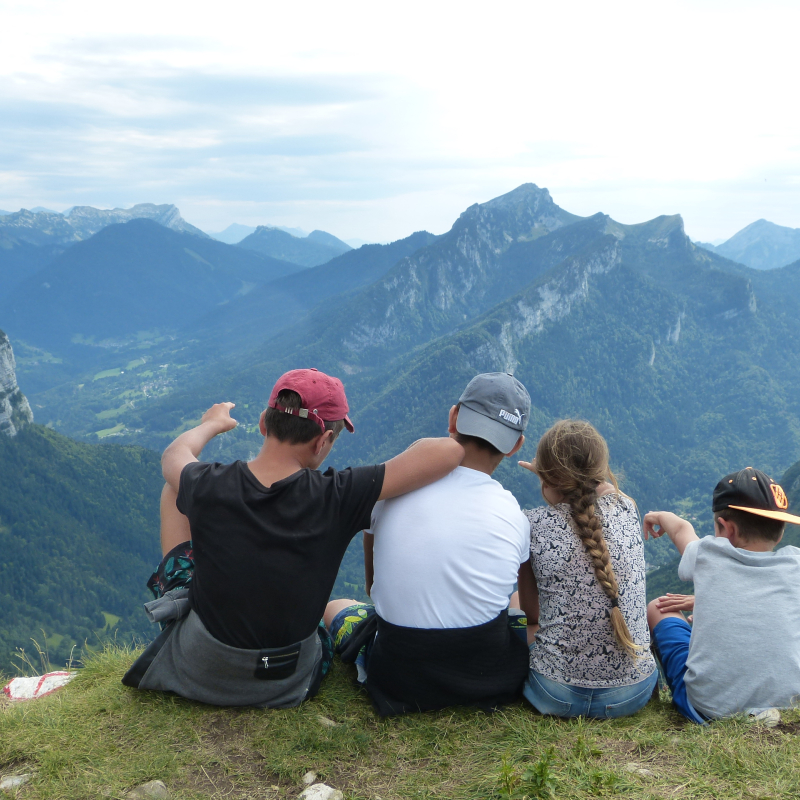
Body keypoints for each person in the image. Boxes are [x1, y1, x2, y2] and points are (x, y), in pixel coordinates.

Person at [122, 368, 465, 708]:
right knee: (322, 616)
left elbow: (173, 457)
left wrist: (213, 423)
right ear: (322, 442)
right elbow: (449, 452)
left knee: (175, 489)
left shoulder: (209, 483)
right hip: (287, 680)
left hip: (199, 668)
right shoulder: (339, 495)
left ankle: (178, 600)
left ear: (262, 424)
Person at [325, 372, 532, 716]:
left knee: (336, 607)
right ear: (515, 446)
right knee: (515, 599)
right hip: (484, 676)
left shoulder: (390, 491)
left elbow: (373, 586)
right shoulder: (514, 514)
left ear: (453, 418)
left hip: (399, 677)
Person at [515, 420, 658, 719]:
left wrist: (546, 475)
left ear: (547, 477)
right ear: (601, 471)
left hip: (554, 694)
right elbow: (601, 488)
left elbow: (533, 615)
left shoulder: (532, 524)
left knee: (515, 603)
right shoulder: (626, 506)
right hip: (633, 694)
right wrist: (555, 474)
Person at [645, 467, 800, 723]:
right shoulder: (795, 565)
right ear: (781, 531)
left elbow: (681, 530)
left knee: (658, 608)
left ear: (725, 528)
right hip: (787, 704)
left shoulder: (708, 555)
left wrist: (659, 515)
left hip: (708, 710)